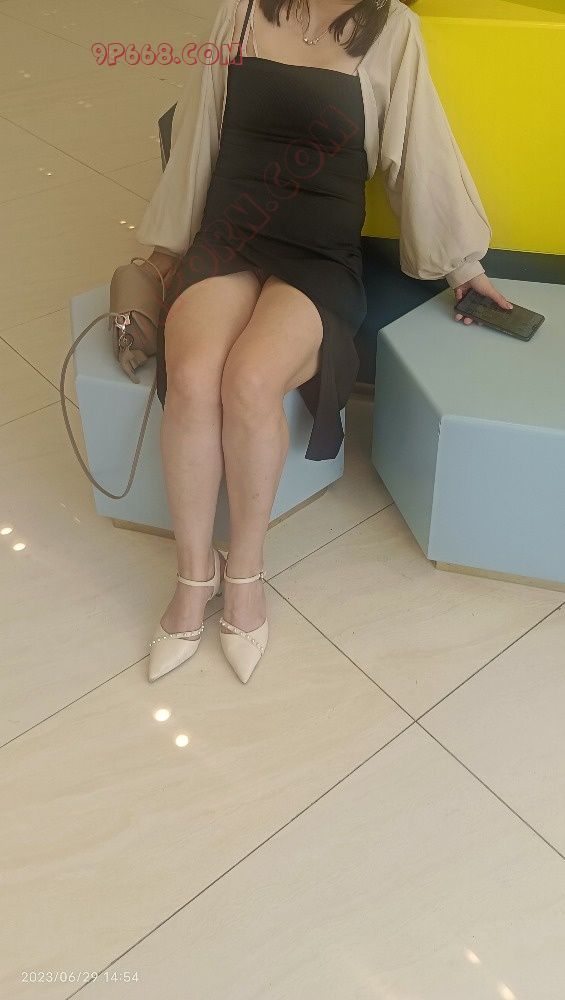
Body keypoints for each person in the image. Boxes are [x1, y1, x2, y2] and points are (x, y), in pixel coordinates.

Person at [137, 0, 512, 685]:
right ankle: (194, 573)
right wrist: (166, 247)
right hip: (230, 231)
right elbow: (199, 131)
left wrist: (464, 267)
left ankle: (245, 575)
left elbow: (420, 150)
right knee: (190, 375)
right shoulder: (239, 11)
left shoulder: (393, 28)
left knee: (250, 380)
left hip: (318, 253)